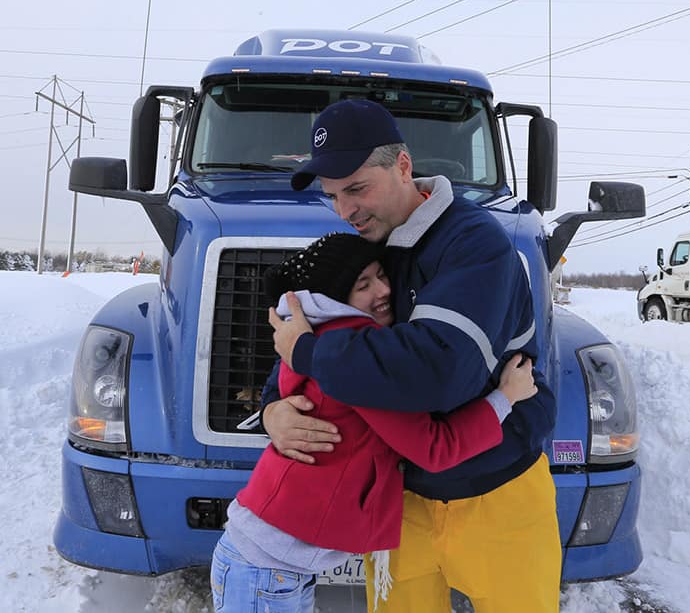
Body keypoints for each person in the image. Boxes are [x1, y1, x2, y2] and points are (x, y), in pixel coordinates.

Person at [262, 99, 562, 612]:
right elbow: (308, 330)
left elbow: (438, 373)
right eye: (333, 195)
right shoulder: (366, 245)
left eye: (357, 188)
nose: (345, 210)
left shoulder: (475, 245)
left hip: (498, 494)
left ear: (404, 166)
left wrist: (312, 354)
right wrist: (274, 408)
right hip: (400, 499)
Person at [212, 233, 537, 613]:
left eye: (382, 275)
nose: (383, 290)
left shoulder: (323, 339)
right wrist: (505, 398)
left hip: (268, 560)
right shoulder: (355, 360)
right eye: (362, 285)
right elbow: (435, 447)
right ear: (336, 298)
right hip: (267, 570)